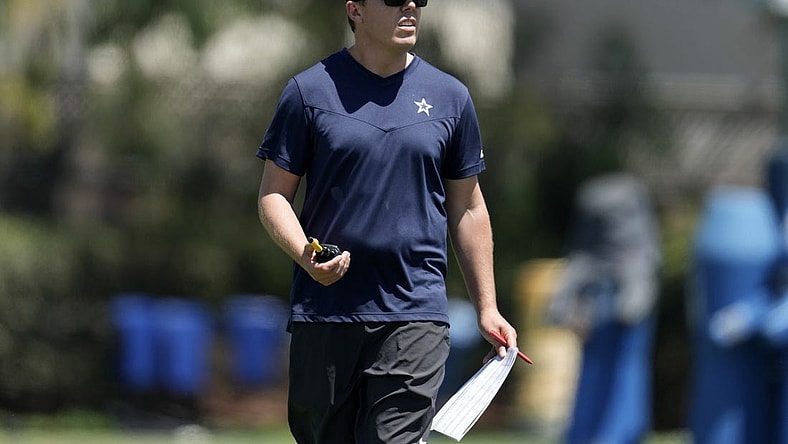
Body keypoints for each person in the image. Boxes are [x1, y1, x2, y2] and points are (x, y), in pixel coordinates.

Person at [256, 1, 518, 442]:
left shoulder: (450, 96)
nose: (411, 6)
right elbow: (273, 195)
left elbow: (469, 208)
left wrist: (487, 306)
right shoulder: (309, 91)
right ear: (355, 10)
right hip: (326, 313)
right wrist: (305, 253)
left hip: (415, 312)